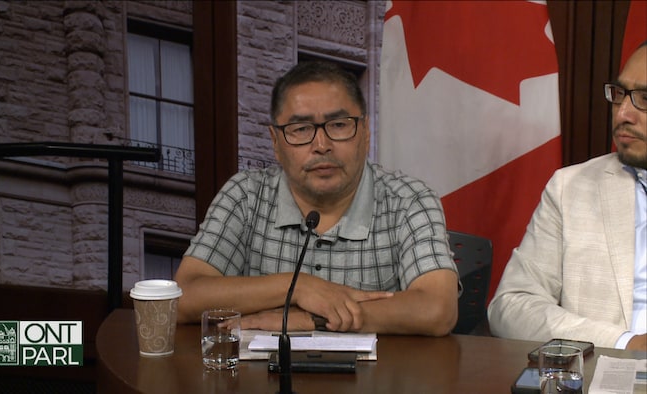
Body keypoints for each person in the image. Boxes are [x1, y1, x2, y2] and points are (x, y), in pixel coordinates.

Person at [174, 61, 459, 335]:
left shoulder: (409, 200)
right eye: (301, 129)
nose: (321, 145)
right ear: (275, 142)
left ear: (366, 132)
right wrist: (298, 288)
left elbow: (438, 309)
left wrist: (312, 319)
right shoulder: (246, 195)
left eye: (338, 125)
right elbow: (182, 298)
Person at [488, 41, 647, 350]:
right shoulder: (570, 188)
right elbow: (510, 307)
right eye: (619, 94)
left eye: (644, 99)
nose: (623, 113)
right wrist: (623, 343)